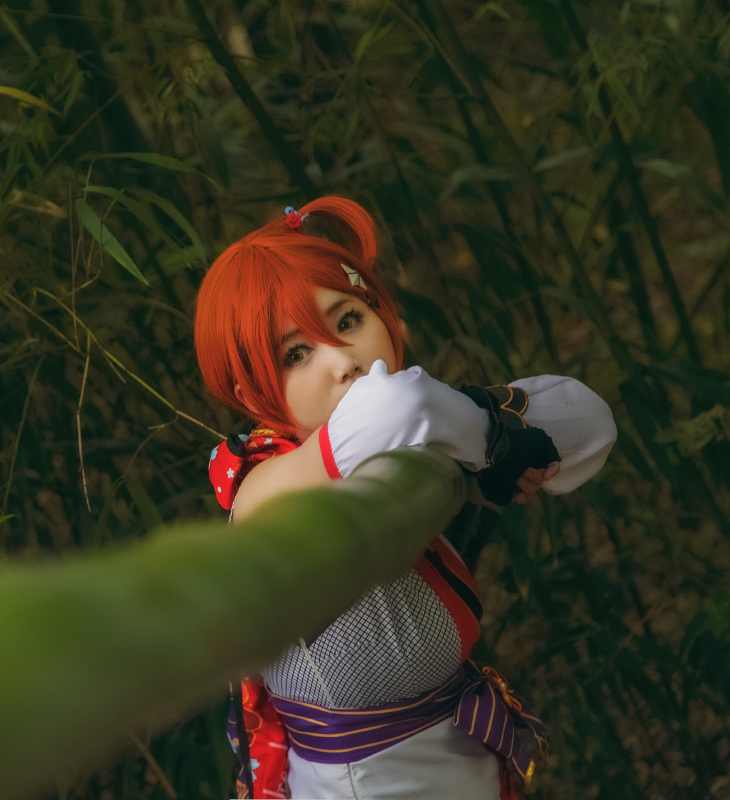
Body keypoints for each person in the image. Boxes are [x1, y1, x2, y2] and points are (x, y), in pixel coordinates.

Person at [193, 196, 617, 800]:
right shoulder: (260, 487)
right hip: (363, 781)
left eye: (347, 321)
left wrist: (478, 429)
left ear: (389, 318)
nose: (342, 361)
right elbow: (397, 403)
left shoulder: (421, 427)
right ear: (252, 394)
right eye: (296, 354)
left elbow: (589, 420)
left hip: (460, 744)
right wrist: (490, 440)